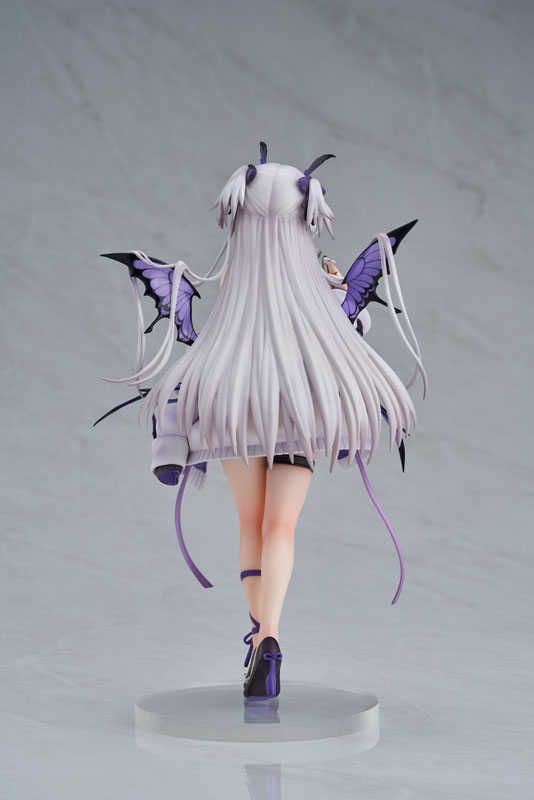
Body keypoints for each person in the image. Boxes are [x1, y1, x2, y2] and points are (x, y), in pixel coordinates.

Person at [98, 142, 427, 700]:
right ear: (304, 220)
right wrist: (337, 292)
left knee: (251, 523)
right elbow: (353, 332)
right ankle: (269, 634)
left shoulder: (236, 288)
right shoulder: (317, 290)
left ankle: (260, 639)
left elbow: (198, 359)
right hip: (299, 413)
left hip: (238, 411)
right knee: (280, 527)